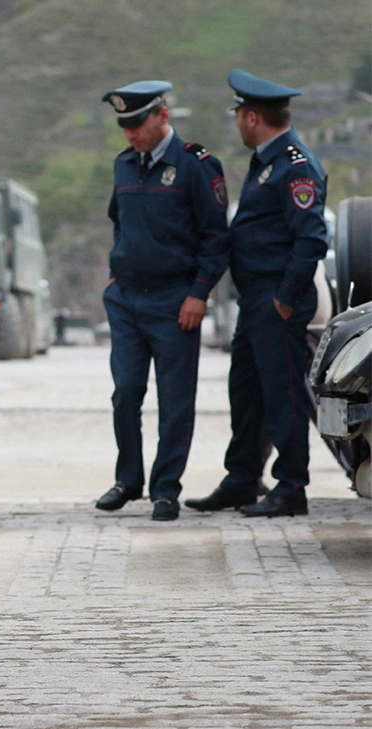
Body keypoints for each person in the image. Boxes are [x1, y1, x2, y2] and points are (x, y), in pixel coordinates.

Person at [185, 70, 327, 518]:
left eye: (238, 117)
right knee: (245, 390)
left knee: (282, 394)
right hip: (256, 299)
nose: (236, 125)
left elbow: (311, 240)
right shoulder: (268, 160)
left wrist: (286, 298)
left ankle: (291, 487)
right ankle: (243, 478)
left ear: (251, 117)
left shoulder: (294, 164)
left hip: (277, 300)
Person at [94, 80, 230, 522]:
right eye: (124, 126)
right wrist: (119, 271)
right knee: (126, 393)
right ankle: (128, 479)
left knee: (174, 402)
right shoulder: (124, 164)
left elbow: (216, 238)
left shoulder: (196, 165)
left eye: (137, 124)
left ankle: (165, 489)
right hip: (127, 300)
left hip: (176, 302)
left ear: (163, 116)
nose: (131, 134)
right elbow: (121, 222)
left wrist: (199, 293)